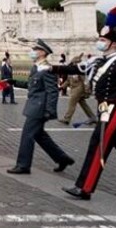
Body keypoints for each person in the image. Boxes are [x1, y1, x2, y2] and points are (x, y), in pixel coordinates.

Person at [56, 4, 116, 201]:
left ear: (114, 44)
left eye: (103, 40)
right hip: (105, 108)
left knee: (98, 144)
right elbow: (74, 69)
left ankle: (84, 187)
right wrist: (49, 68)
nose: (99, 43)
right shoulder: (98, 62)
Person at [7, 39, 74, 175]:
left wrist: (50, 110)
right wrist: (14, 82)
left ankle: (23, 165)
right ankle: (62, 158)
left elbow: (52, 91)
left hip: (39, 108)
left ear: (42, 53)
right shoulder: (35, 67)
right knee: (39, 135)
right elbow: (32, 86)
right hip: (34, 106)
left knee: (27, 135)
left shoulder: (47, 69)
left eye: (35, 50)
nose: (32, 52)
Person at [58, 54, 96, 126]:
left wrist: (87, 91)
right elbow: (68, 81)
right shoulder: (72, 71)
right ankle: (92, 117)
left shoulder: (80, 71)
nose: (73, 64)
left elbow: (85, 81)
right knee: (83, 104)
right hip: (74, 88)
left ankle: (67, 119)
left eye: (74, 63)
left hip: (79, 89)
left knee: (71, 104)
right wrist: (61, 87)